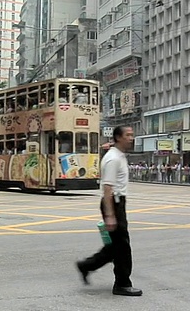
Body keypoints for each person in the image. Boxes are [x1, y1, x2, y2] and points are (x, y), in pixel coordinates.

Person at [75, 126, 142, 297]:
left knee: (115, 246)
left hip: (118, 202)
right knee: (123, 247)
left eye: (132, 135)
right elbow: (107, 188)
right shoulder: (113, 158)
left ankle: (86, 265)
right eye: (128, 135)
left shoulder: (119, 155)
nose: (131, 138)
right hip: (113, 202)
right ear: (118, 137)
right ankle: (122, 284)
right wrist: (111, 215)